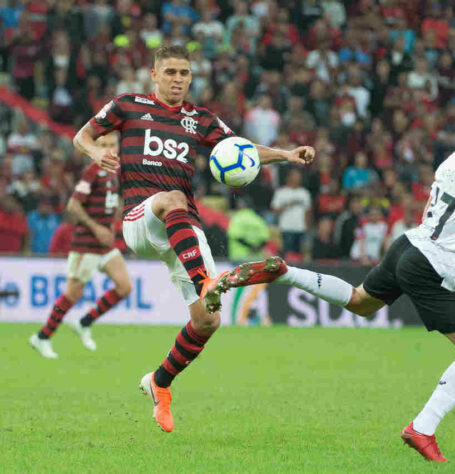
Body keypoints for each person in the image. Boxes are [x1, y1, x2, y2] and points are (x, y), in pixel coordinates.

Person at [232, 89, 455, 462]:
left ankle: (286, 273)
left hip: (408, 245)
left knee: (359, 302)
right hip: (430, 263)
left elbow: (444, 209)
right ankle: (423, 428)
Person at [71, 45, 314, 433]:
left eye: (184, 73)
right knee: (173, 199)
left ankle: (159, 383)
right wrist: (96, 153)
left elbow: (243, 152)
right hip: (141, 217)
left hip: (182, 225)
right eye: (170, 72)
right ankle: (207, 281)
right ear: (153, 74)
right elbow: (82, 136)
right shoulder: (127, 105)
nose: (178, 79)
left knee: (208, 319)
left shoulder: (200, 119)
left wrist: (286, 155)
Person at [29, 133, 132, 359]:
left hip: (105, 245)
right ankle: (42, 337)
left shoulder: (115, 172)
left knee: (124, 287)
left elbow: (110, 203)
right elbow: (73, 205)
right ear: (96, 148)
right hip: (86, 243)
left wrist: (113, 223)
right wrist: (97, 228)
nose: (108, 149)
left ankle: (84, 323)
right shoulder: (92, 171)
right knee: (72, 294)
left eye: (112, 144)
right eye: (103, 145)